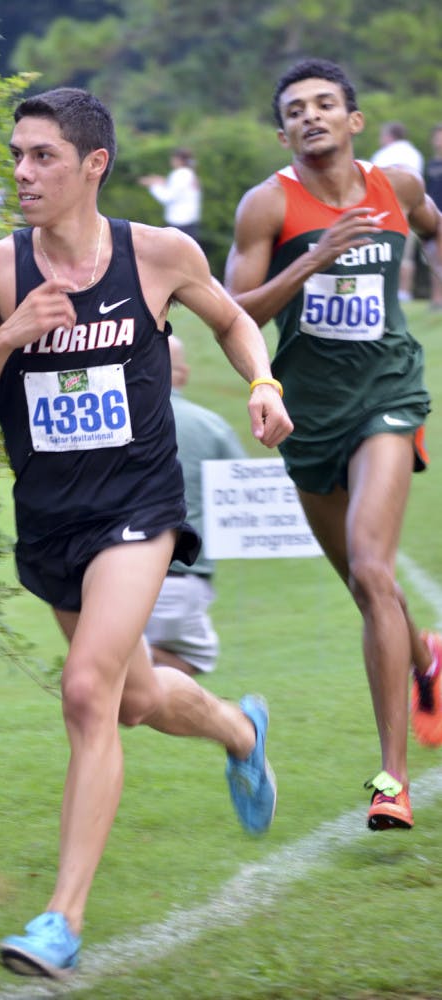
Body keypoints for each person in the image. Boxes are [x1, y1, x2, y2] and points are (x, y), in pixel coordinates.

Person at [0, 86, 292, 979]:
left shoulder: (158, 254)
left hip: (138, 509)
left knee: (88, 692)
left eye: (42, 156)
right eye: (16, 154)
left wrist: (262, 384)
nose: (21, 172)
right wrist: (10, 334)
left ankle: (60, 919)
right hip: (50, 519)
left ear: (93, 164)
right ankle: (241, 733)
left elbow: (234, 320)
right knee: (132, 700)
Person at [225, 58, 442, 834]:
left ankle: (392, 781)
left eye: (325, 104)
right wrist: (314, 256)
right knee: (362, 583)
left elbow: (430, 229)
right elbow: (232, 311)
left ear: (354, 121)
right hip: (307, 414)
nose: (310, 116)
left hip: (387, 391)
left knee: (375, 564)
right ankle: (427, 661)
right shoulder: (266, 206)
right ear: (280, 129)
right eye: (294, 109)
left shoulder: (398, 188)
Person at [145, 335, 246, 676]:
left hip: (118, 575)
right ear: (183, 374)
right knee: (196, 660)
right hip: (186, 576)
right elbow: (244, 492)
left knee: (130, 688)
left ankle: (134, 657)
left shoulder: (117, 424)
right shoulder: (211, 427)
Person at [371, 121, 425, 302]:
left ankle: (386, 291)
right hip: (411, 209)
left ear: (389, 136)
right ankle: (405, 292)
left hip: (384, 211)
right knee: (406, 254)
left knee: (381, 252)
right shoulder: (414, 154)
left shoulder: (383, 155)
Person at [138, 148, 202, 242]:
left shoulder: (180, 174)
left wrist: (153, 185)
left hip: (179, 223)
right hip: (189, 222)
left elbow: (167, 197)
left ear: (178, 160)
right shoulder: (190, 173)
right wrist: (162, 182)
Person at [424, 124, 442, 309]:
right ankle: (436, 298)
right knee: (433, 259)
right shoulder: (431, 164)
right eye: (436, 137)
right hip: (433, 217)